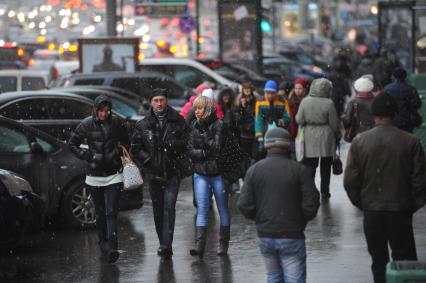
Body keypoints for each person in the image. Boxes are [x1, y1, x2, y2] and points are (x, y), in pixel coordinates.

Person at [344, 92, 426, 283]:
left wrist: (364, 203)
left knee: (378, 262)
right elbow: (420, 180)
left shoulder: (360, 142)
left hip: (372, 211)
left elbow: (350, 181)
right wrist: (410, 204)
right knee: (404, 261)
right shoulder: (410, 141)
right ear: (394, 115)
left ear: (374, 116)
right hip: (400, 209)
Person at [238, 127, 320, 283]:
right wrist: (300, 220)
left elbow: (244, 204)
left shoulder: (254, 170)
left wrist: (261, 218)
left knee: (273, 276)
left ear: (267, 146)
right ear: (288, 146)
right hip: (292, 234)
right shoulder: (300, 170)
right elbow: (312, 203)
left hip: (265, 234)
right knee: (294, 279)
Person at [68, 95, 129, 264]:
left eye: (107, 111)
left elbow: (127, 139)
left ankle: (112, 247)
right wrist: (87, 155)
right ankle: (103, 243)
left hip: (114, 174)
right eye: (101, 111)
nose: (104, 114)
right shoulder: (87, 124)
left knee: (111, 211)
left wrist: (119, 151)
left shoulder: (116, 122)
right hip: (94, 175)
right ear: (95, 110)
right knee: (100, 212)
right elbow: (72, 143)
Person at [130, 88, 189, 259]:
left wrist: (173, 147)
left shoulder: (178, 121)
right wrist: (148, 161)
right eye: (156, 100)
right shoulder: (143, 124)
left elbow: (187, 143)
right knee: (158, 210)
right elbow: (135, 148)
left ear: (167, 100)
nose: (159, 103)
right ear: (151, 102)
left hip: (172, 172)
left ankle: (166, 245)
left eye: (162, 100)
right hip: (153, 174)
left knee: (169, 208)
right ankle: (162, 242)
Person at [188, 95, 230, 259]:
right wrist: (204, 153)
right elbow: (190, 150)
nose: (196, 112)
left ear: (208, 109)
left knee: (222, 208)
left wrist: (205, 134)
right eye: (195, 108)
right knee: (202, 208)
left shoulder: (219, 125)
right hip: (200, 173)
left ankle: (223, 244)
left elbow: (218, 148)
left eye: (200, 108)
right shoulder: (193, 126)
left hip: (218, 173)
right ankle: (200, 246)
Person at [296, 78, 341, 200]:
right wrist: (338, 134)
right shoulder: (329, 103)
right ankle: (325, 191)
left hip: (309, 135)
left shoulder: (305, 102)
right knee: (326, 166)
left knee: (310, 165)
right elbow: (334, 123)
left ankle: (310, 190)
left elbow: (299, 119)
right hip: (326, 136)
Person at [255, 80, 291, 158]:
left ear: (276, 93)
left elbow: (287, 118)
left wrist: (278, 121)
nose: (270, 96)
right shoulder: (260, 102)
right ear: (265, 92)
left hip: (279, 133)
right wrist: (260, 138)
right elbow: (258, 120)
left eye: (272, 93)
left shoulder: (283, 102)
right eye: (268, 93)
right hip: (265, 133)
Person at [383, 67, 422, 133]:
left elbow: (384, 104)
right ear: (405, 76)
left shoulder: (387, 89)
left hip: (392, 120)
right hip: (407, 121)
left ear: (393, 76)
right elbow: (417, 104)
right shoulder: (411, 89)